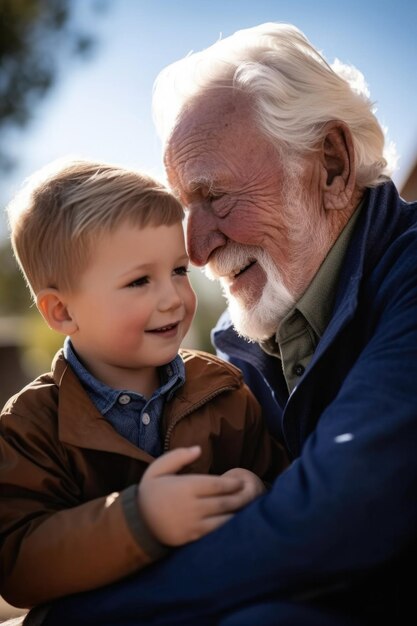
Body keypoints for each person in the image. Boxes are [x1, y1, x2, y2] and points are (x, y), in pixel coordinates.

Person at [25, 21, 417, 626]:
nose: (198, 250)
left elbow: (336, 514)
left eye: (215, 196)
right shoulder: (239, 357)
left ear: (332, 166)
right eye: (184, 208)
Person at [0, 158, 286, 617]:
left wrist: (258, 489)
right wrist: (139, 519)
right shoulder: (30, 424)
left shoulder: (223, 391)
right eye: (139, 281)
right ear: (61, 313)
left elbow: (282, 483)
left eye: (178, 271)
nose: (173, 297)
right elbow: (17, 563)